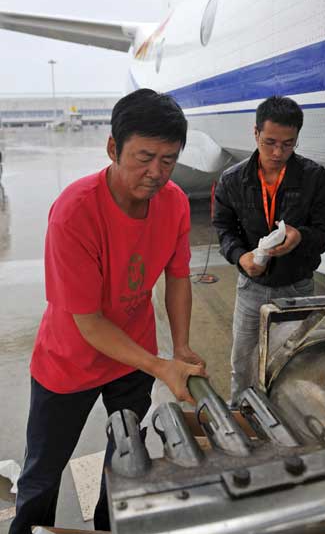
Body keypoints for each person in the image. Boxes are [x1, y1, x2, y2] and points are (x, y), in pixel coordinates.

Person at [10, 89, 206, 534]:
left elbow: (177, 277)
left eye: (169, 160)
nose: (156, 173)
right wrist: (162, 367)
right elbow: (89, 322)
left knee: (124, 460)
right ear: (113, 148)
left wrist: (180, 347)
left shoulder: (173, 202)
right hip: (69, 363)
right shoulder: (75, 212)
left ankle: (107, 528)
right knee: (43, 471)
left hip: (133, 358)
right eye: (144, 157)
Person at [213, 95, 325, 406]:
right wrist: (240, 257)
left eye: (288, 144)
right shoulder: (232, 180)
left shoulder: (314, 177)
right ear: (255, 134)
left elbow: (324, 233)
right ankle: (241, 416)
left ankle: (289, 415)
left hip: (298, 286)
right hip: (252, 287)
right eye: (269, 142)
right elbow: (225, 230)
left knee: (295, 362)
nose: (278, 152)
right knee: (242, 362)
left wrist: (300, 238)